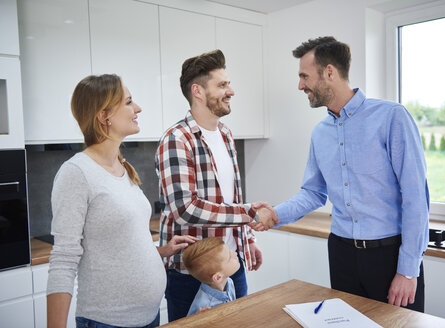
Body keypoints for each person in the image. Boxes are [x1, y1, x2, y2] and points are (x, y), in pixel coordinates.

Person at [254, 36, 429, 312]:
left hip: (389, 255)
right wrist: (275, 214)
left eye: (304, 76)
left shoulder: (391, 117)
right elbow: (313, 192)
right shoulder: (320, 133)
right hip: (342, 254)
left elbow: (416, 197)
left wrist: (408, 270)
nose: (300, 85)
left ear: (330, 72)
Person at [46, 74, 197, 328]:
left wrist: (160, 251)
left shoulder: (122, 166)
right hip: (108, 321)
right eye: (128, 102)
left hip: (148, 317)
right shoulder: (76, 173)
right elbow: (63, 260)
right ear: (104, 116)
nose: (137, 108)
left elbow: (116, 245)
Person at [155, 49, 276, 322]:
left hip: (233, 264)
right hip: (193, 274)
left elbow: (230, 196)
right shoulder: (177, 139)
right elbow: (186, 209)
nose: (230, 90)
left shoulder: (225, 134)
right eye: (222, 85)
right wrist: (250, 213)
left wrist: (248, 239)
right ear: (197, 91)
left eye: (228, 84)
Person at [182, 237, 240, 316]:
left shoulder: (229, 282)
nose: (235, 254)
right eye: (230, 257)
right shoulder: (204, 306)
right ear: (218, 277)